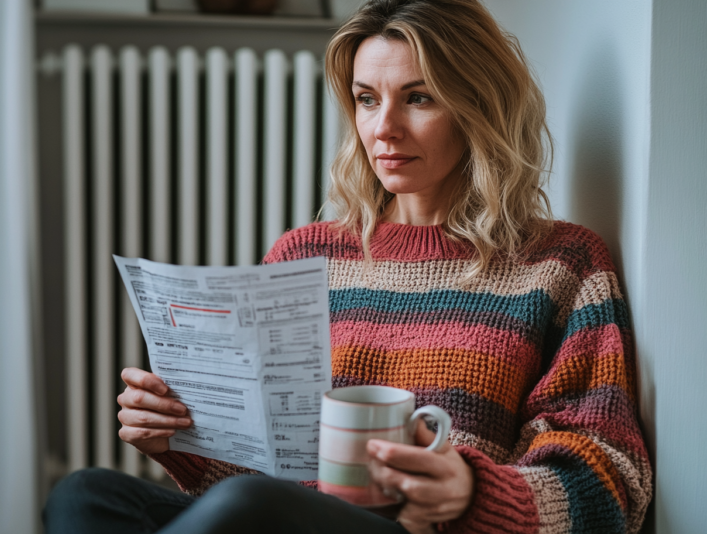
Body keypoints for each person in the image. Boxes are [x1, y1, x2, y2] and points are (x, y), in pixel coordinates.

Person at [43, 0, 652, 532]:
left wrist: (472, 493)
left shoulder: (560, 263)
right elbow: (255, 472)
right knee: (86, 494)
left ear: (477, 105)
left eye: (418, 97)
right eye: (366, 99)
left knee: (252, 505)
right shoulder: (304, 254)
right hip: (274, 518)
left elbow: (611, 482)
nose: (382, 129)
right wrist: (182, 440)